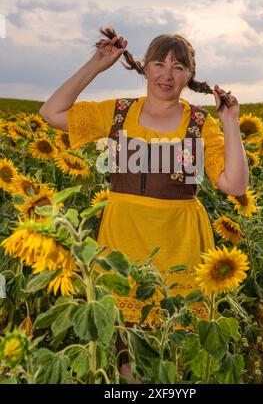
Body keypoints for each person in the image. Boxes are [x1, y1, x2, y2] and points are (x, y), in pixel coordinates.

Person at [39, 27, 249, 382]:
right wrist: (97, 64)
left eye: (178, 67)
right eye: (158, 63)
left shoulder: (200, 124)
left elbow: (235, 183)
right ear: (145, 68)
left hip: (179, 240)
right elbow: (52, 112)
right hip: (124, 239)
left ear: (189, 76)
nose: (167, 74)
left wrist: (230, 123)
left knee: (173, 340)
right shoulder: (119, 113)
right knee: (127, 343)